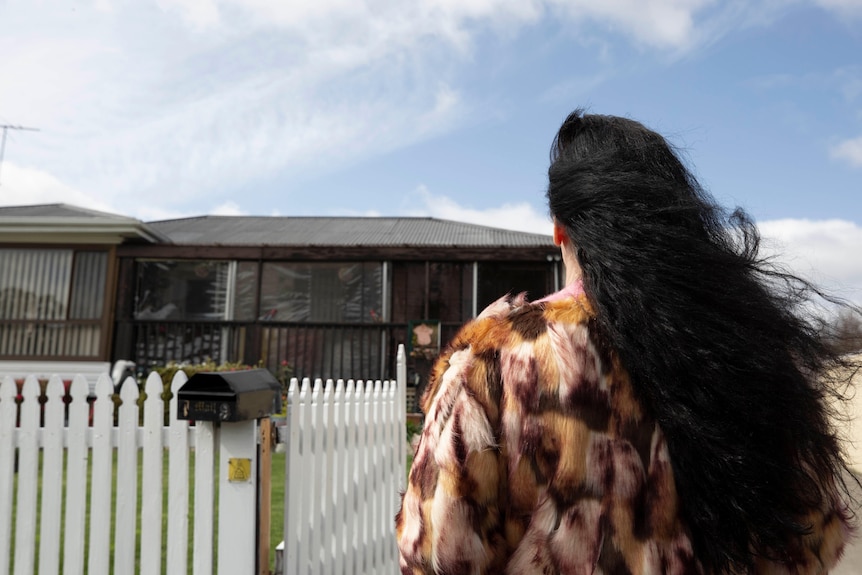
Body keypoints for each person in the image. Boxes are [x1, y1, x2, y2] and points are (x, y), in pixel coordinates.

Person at [395, 109, 858, 574]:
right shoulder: (753, 351)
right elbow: (814, 543)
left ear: (560, 229)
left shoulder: (494, 361)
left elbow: (437, 553)